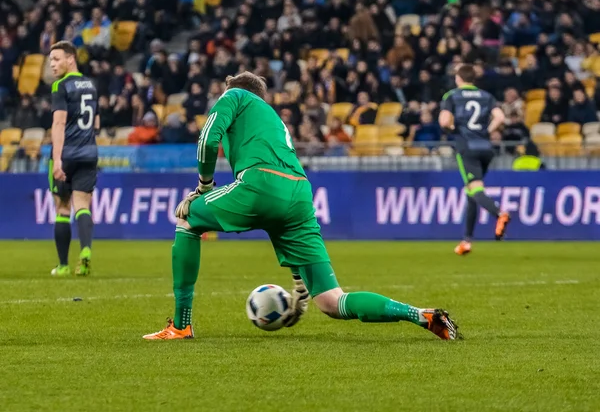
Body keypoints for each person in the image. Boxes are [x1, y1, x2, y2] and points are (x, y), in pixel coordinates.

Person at [143, 71, 459, 341]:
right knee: (333, 302)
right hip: (299, 193)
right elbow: (275, 214)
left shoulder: (235, 96)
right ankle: (420, 314)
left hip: (260, 183)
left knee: (186, 220)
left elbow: (208, 138)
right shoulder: (272, 118)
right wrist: (298, 276)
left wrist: (203, 188)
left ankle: (181, 325)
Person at [438, 64, 511, 256]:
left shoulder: (452, 96)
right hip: (486, 148)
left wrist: (453, 130)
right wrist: (486, 131)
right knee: (471, 191)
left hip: (467, 147)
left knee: (475, 188)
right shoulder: (486, 96)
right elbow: (500, 117)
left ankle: (499, 213)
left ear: (458, 78)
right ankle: (466, 241)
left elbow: (444, 121)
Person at [48, 41, 99, 277]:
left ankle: (63, 265)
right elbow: (96, 124)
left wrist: (57, 160)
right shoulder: (91, 85)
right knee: (83, 205)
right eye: (50, 61)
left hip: (66, 154)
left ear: (71, 59)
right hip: (89, 152)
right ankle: (86, 251)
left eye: (57, 59)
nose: (52, 65)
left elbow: (58, 123)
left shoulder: (61, 86)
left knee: (62, 207)